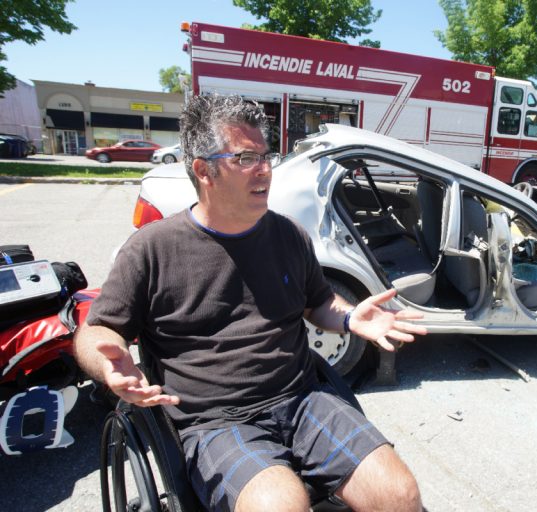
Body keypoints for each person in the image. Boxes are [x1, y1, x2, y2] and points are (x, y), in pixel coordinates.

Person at [74, 94, 427, 512]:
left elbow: (319, 305)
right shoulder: (153, 249)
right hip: (215, 422)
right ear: (204, 170)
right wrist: (106, 361)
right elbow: (94, 332)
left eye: (266, 155)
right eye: (244, 158)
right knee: (279, 505)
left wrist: (351, 317)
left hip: (302, 400)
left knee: (399, 494)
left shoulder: (288, 235)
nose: (264, 170)